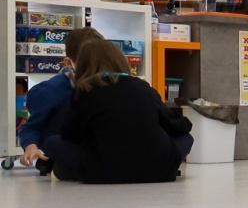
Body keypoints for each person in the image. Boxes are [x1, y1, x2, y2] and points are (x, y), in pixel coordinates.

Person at [41, 39, 193, 183]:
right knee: (186, 138)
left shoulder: (84, 92)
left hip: (103, 172)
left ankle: (72, 172)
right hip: (158, 170)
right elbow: (177, 126)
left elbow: (70, 134)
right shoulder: (143, 88)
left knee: (51, 142)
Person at [16, 26, 103, 176]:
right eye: (85, 63)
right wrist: (31, 146)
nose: (93, 68)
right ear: (68, 63)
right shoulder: (49, 91)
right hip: (62, 149)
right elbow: (32, 126)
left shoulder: (108, 84)